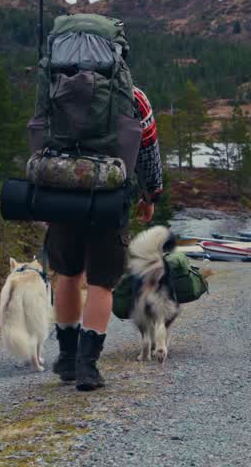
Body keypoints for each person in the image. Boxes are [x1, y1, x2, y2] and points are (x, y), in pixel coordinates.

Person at [41, 85, 163, 391]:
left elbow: (39, 133)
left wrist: (42, 193)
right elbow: (148, 148)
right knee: (100, 283)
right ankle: (88, 367)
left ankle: (67, 358)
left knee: (68, 274)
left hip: (62, 192)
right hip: (109, 195)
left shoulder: (56, 85)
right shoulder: (133, 95)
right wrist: (150, 195)